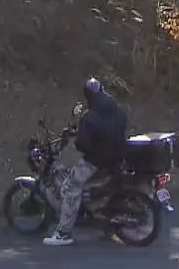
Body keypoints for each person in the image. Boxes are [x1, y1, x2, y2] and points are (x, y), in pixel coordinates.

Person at [43, 78, 129, 247]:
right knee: (87, 183)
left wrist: (79, 139)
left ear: (87, 96)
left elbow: (83, 145)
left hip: (97, 160)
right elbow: (119, 125)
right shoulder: (116, 108)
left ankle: (64, 233)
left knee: (70, 188)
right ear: (102, 90)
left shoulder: (89, 116)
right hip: (118, 156)